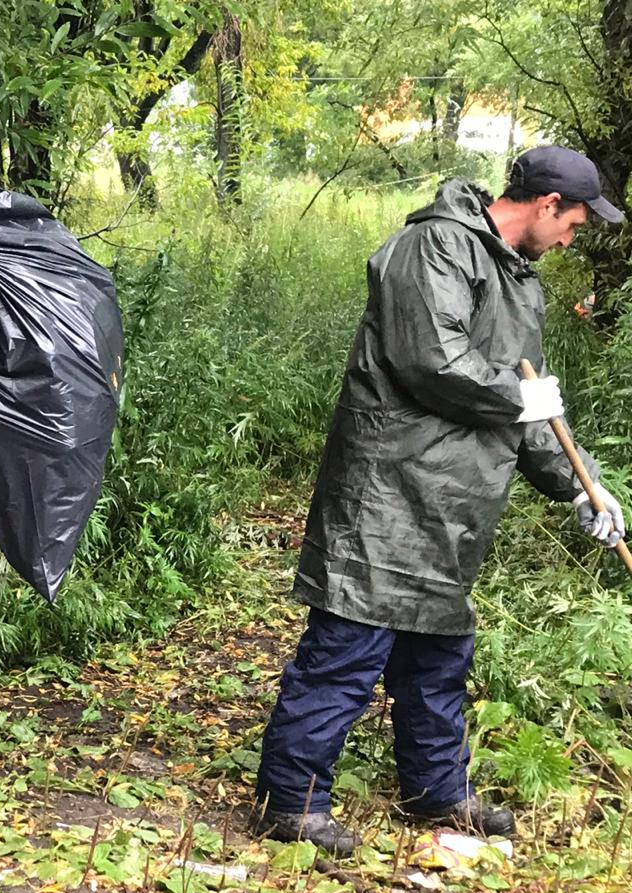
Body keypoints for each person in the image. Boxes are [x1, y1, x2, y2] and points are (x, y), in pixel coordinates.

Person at [251, 145, 627, 856]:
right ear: (547, 205)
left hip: (456, 507)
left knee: (439, 658)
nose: (573, 238)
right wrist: (527, 396)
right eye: (574, 223)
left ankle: (435, 793)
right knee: (347, 651)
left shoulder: (522, 284)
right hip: (388, 492)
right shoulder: (433, 247)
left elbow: (531, 410)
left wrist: (584, 485)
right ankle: (290, 804)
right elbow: (433, 359)